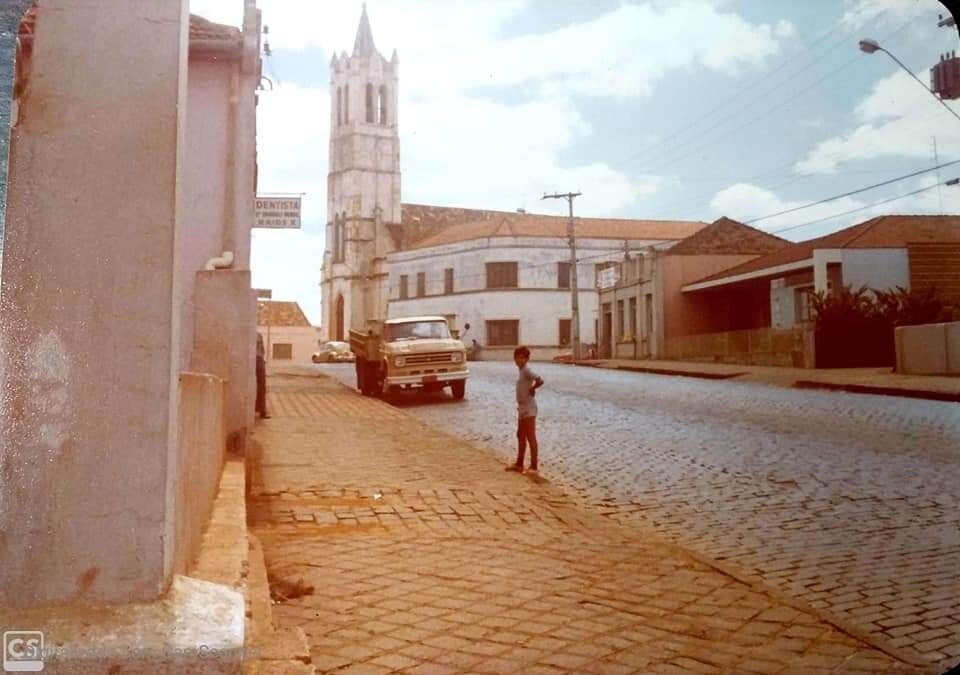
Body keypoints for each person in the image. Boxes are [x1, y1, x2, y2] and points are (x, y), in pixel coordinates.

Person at [506, 346, 544, 474]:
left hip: (529, 408)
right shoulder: (522, 371)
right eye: (517, 357)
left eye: (522, 358)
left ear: (527, 359)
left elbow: (540, 380)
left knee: (530, 436)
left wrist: (533, 389)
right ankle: (519, 463)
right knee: (520, 435)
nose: (519, 360)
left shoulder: (527, 370)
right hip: (522, 408)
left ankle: (534, 466)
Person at [255, 333, 269, 419]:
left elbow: (262, 350)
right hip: (251, 359)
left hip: (259, 359)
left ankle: (262, 410)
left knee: (262, 385)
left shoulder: (259, 335)